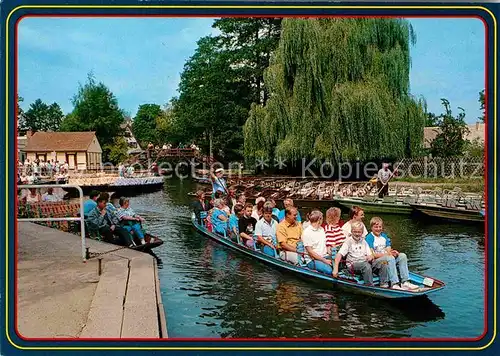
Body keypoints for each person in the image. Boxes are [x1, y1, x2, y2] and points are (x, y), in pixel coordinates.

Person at [365, 217, 419, 290]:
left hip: (387, 258)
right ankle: (394, 283)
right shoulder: (369, 237)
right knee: (390, 258)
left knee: (402, 256)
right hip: (376, 262)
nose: (378, 229)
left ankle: (405, 281)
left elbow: (388, 250)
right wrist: (388, 255)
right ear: (371, 227)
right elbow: (373, 255)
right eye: (376, 227)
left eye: (380, 227)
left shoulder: (384, 236)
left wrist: (393, 253)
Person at [332, 221, 388, 286]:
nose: (357, 234)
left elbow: (370, 255)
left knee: (384, 262)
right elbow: (339, 254)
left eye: (359, 232)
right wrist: (335, 269)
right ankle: (369, 286)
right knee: (366, 265)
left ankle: (383, 284)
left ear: (362, 232)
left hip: (365, 263)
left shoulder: (364, 242)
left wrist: (370, 257)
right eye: (355, 232)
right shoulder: (348, 242)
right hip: (353, 265)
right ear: (352, 231)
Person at [301, 210, 332, 274]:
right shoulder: (307, 232)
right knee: (329, 271)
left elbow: (325, 244)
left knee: (340, 264)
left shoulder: (321, 229)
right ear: (319, 220)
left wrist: (330, 253)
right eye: (322, 219)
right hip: (312, 260)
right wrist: (324, 260)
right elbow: (310, 252)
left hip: (324, 256)